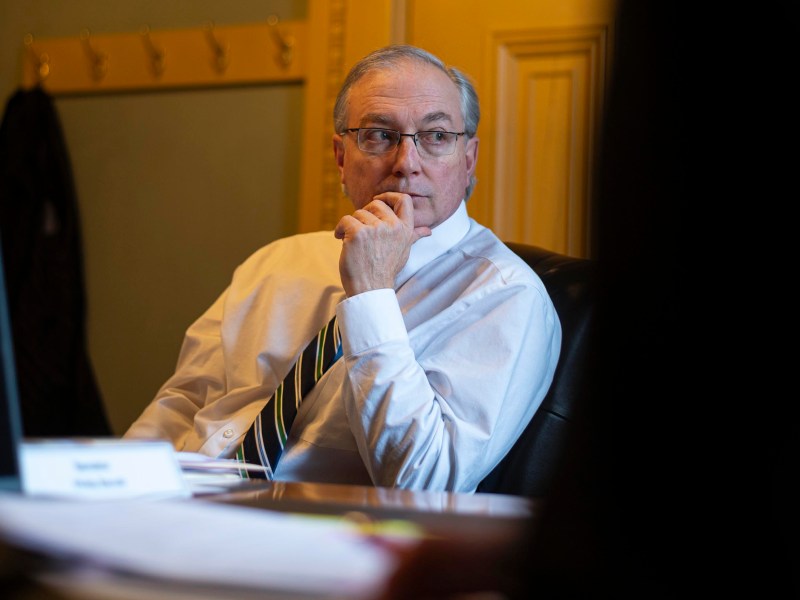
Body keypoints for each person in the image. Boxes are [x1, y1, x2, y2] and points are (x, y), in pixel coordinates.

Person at [123, 44, 561, 493]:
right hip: (183, 505)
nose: (406, 164)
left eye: (435, 136)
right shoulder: (278, 261)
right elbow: (183, 403)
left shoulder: (508, 296)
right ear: (340, 158)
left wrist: (371, 295)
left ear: (467, 160)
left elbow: (425, 482)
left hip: (320, 528)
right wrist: (111, 493)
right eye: (379, 135)